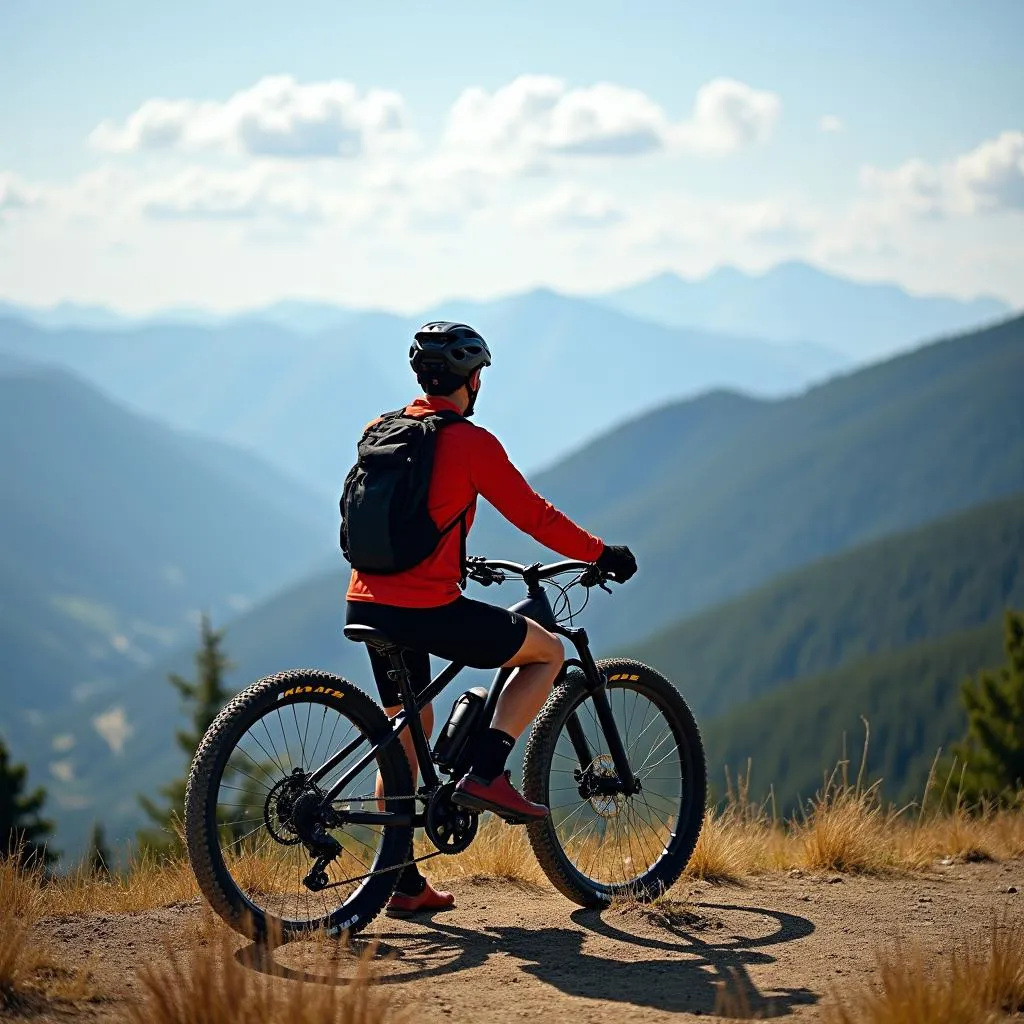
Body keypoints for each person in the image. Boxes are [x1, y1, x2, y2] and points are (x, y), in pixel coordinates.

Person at [345, 321, 637, 916]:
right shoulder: (470, 442)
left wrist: (453, 559)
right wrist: (602, 554)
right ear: (473, 379)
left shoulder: (380, 429)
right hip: (426, 608)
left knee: (409, 725)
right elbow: (537, 517)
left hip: (368, 600)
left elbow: (395, 518)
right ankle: (487, 769)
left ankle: (399, 884)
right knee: (549, 651)